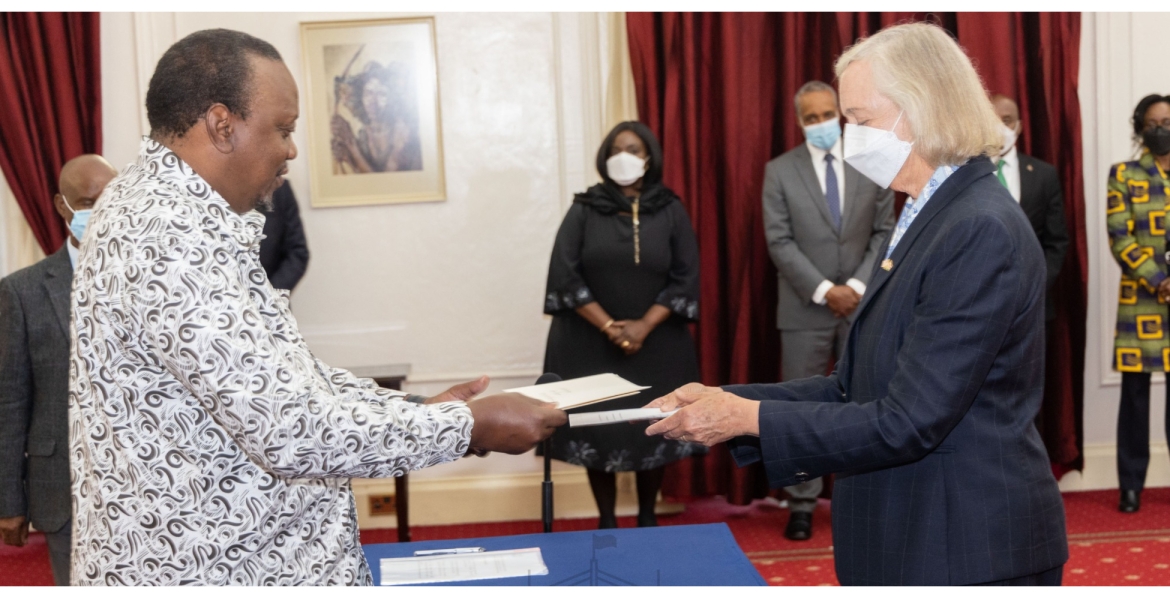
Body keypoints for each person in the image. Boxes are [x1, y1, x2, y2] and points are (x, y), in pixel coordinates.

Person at [68, 28, 565, 586]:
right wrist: (465, 426)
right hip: (217, 570)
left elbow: (285, 379)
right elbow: (289, 429)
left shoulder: (172, 212)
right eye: (283, 129)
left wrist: (422, 410)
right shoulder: (165, 231)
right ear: (221, 125)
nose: (292, 148)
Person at [646, 22, 1068, 585]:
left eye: (861, 120)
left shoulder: (977, 228)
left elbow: (908, 421)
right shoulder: (923, 211)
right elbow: (854, 386)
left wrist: (744, 417)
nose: (849, 136)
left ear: (922, 109)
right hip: (912, 535)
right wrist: (727, 401)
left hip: (962, 546)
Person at [542, 121, 702, 530]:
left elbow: (686, 276)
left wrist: (643, 326)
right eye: (616, 149)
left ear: (648, 158)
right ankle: (607, 520)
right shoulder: (584, 207)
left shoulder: (671, 208)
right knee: (600, 430)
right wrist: (611, 326)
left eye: (633, 149)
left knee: (653, 424)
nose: (623, 157)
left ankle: (648, 518)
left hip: (658, 343)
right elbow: (565, 275)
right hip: (588, 343)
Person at [761, 80, 894, 541]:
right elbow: (779, 241)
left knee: (866, 401)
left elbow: (886, 230)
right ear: (799, 122)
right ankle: (801, 504)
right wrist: (824, 290)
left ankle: (864, 500)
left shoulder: (870, 162)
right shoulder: (779, 171)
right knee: (800, 409)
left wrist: (856, 285)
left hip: (864, 305)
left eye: (826, 114)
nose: (820, 124)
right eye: (810, 117)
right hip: (804, 310)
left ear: (841, 113)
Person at [0, 155, 117, 585]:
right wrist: (8, 500)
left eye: (112, 199)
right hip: (63, 488)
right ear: (61, 206)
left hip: (143, 486)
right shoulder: (22, 292)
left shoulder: (150, 281)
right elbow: (10, 401)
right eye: (89, 202)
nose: (101, 212)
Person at [1106, 93, 1170, 514]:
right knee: (1134, 398)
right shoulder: (1124, 174)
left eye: (1168, 120)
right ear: (1140, 127)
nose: (1162, 128)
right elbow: (1120, 234)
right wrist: (1160, 280)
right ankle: (1131, 483)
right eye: (1153, 122)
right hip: (1142, 300)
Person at [990, 94, 1069, 320]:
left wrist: (1036, 284)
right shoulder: (966, 172)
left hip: (1032, 302)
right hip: (980, 301)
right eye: (992, 120)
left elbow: (1057, 241)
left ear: (1019, 126)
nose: (1000, 127)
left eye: (1007, 120)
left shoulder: (1044, 174)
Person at [258, 180, 310, 292]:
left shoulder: (279, 188)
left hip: (270, 302)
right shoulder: (212, 192)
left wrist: (267, 295)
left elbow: (297, 252)